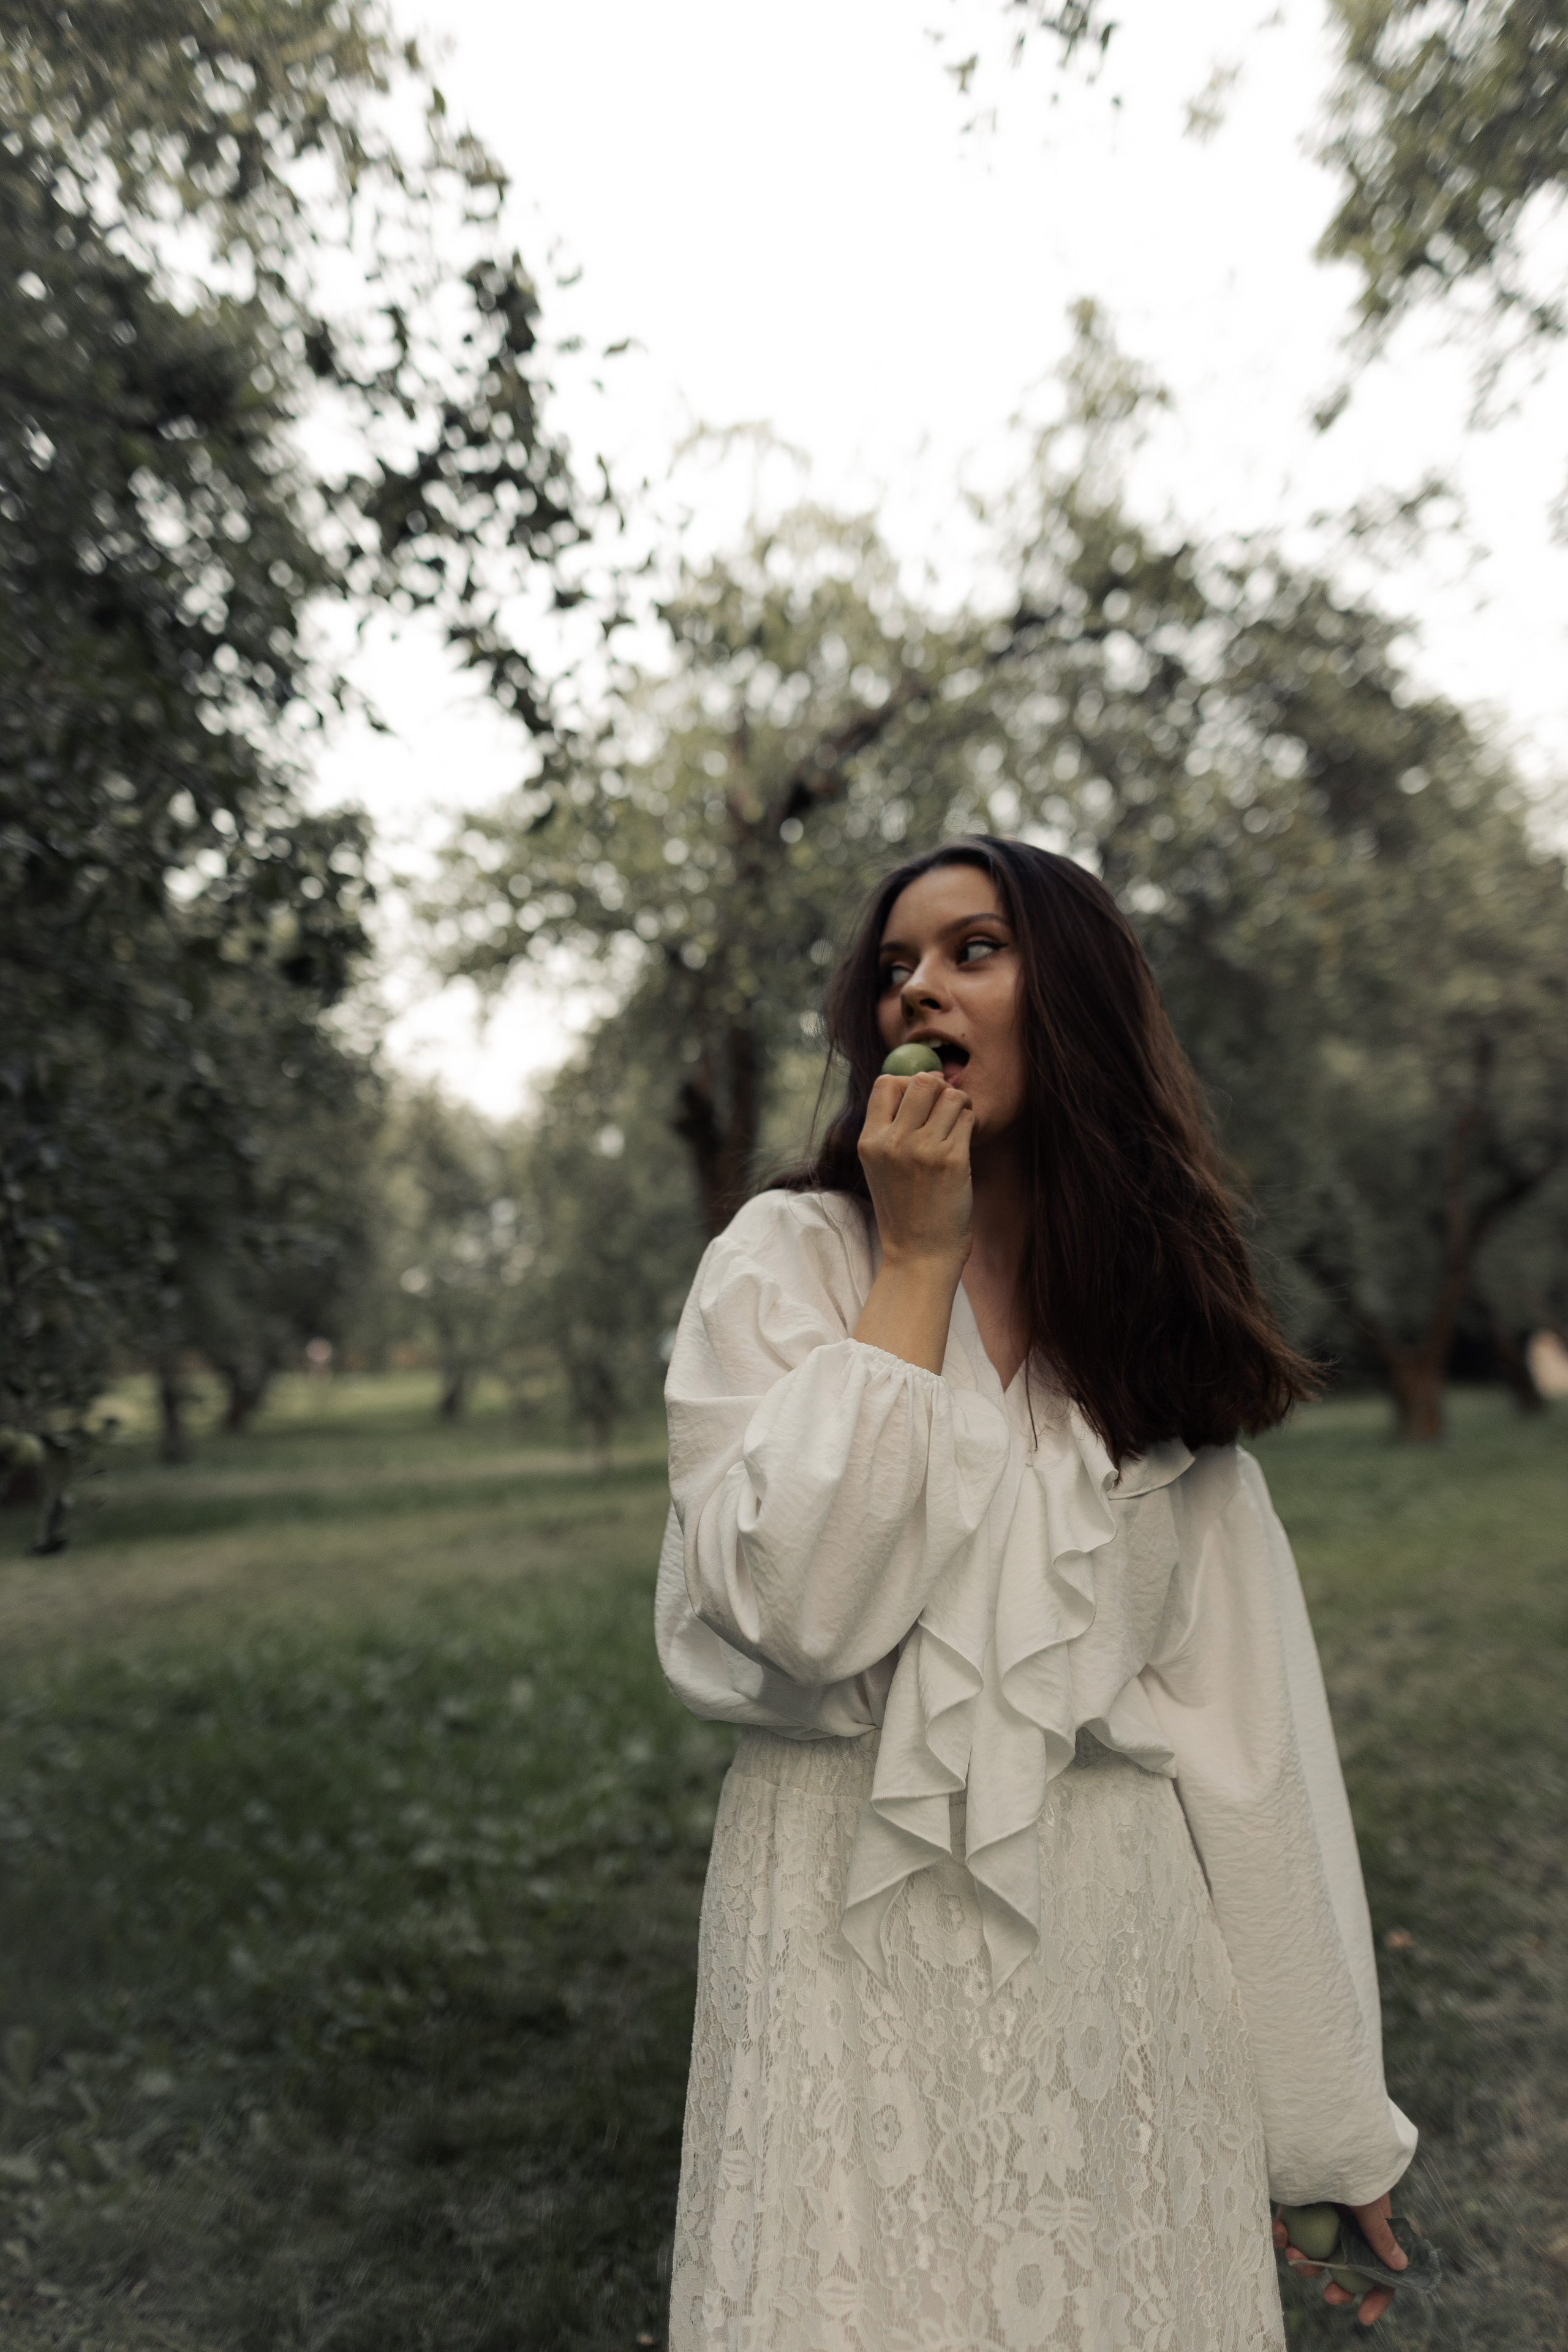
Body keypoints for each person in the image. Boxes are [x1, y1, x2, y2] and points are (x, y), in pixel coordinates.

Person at [655, 836, 1415, 2351]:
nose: (917, 991)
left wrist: (1325, 2127)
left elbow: (1249, 1750)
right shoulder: (783, 1264)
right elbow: (799, 1607)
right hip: (830, 1935)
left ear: (1072, 999)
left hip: (1114, 1960)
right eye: (894, 967)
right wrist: (914, 1263)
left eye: (973, 950)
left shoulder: (1142, 1322)